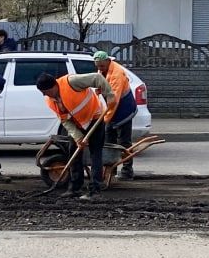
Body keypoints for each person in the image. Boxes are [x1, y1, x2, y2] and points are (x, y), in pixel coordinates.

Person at [35, 70, 113, 199]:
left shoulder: (72, 82)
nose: (44, 94)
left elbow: (97, 78)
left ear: (54, 86)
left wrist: (109, 95)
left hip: (95, 117)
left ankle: (95, 190)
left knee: (95, 154)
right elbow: (65, 120)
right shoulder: (51, 100)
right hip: (78, 124)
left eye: (46, 91)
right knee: (74, 153)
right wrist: (78, 137)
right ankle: (74, 188)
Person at [93, 51, 139, 181]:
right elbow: (101, 87)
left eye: (102, 66)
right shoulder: (102, 70)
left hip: (124, 109)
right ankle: (110, 171)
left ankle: (127, 171)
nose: (100, 68)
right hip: (112, 109)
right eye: (98, 66)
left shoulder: (117, 74)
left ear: (108, 62)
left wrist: (105, 120)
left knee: (124, 142)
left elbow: (113, 100)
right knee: (109, 142)